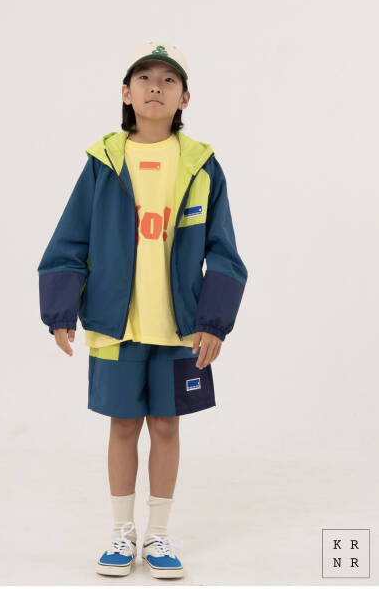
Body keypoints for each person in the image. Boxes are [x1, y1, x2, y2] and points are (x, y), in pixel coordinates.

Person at [37, 41, 248, 579]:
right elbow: (71, 239)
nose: (156, 86)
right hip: (116, 325)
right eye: (145, 78)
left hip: (179, 329)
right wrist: (61, 308)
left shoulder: (201, 165)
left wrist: (213, 322)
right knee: (123, 426)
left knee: (168, 427)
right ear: (126, 93)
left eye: (169, 80)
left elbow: (223, 251)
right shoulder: (103, 163)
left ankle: (158, 535)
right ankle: (120, 532)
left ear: (185, 98)